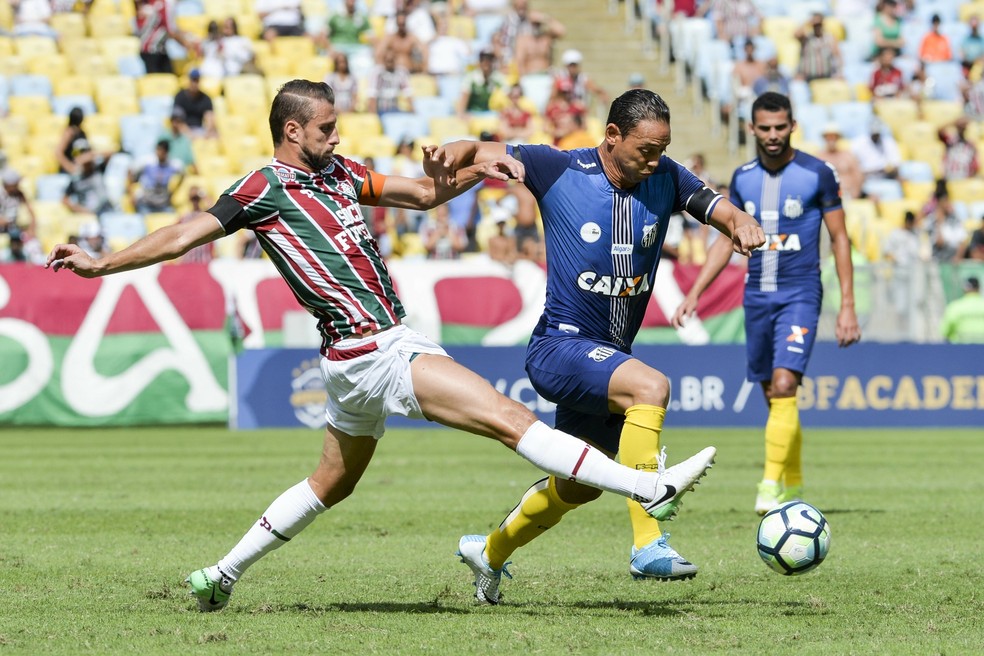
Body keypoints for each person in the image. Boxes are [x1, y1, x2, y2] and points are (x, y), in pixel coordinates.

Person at [45, 79, 717, 612]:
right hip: (376, 350)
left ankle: (221, 575)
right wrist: (106, 263)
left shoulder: (341, 174)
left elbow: (424, 195)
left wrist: (459, 173)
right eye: (327, 127)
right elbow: (189, 230)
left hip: (353, 359)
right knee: (511, 421)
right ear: (292, 130)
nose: (337, 136)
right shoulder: (263, 187)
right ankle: (645, 486)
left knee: (331, 483)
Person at [430, 89, 764, 602]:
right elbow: (479, 151)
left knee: (578, 486)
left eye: (662, 148)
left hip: (607, 358)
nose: (655, 160)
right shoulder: (556, 167)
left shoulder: (667, 177)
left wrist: (739, 221)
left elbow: (714, 206)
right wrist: (453, 151)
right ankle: (648, 543)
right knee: (650, 386)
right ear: (612, 136)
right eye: (646, 150)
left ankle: (489, 552)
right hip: (559, 348)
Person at [672, 92, 861, 516]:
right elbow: (728, 239)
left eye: (780, 127)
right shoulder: (742, 178)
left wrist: (847, 304)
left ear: (792, 126)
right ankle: (792, 480)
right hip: (757, 296)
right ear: (752, 129)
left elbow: (841, 237)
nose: (773, 135)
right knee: (773, 395)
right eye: (765, 128)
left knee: (784, 385)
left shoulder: (818, 173)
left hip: (801, 293)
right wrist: (695, 293)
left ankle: (770, 485)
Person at [815, 123, 863, 200]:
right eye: (829, 137)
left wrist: (855, 194)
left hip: (848, 195)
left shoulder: (847, 155)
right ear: (824, 138)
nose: (831, 139)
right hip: (826, 197)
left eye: (834, 136)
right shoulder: (819, 157)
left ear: (838, 138)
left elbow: (858, 175)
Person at [173, 69, 217, 139]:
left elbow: (209, 118)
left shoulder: (205, 98)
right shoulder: (180, 97)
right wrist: (190, 134)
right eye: (193, 80)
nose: (194, 83)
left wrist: (207, 133)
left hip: (200, 130)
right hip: (184, 130)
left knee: (215, 136)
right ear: (189, 80)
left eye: (197, 80)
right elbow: (177, 121)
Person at [940, 276, 984, 343]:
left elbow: (945, 331)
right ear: (979, 288)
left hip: (960, 349)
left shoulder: (955, 306)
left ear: (964, 289)